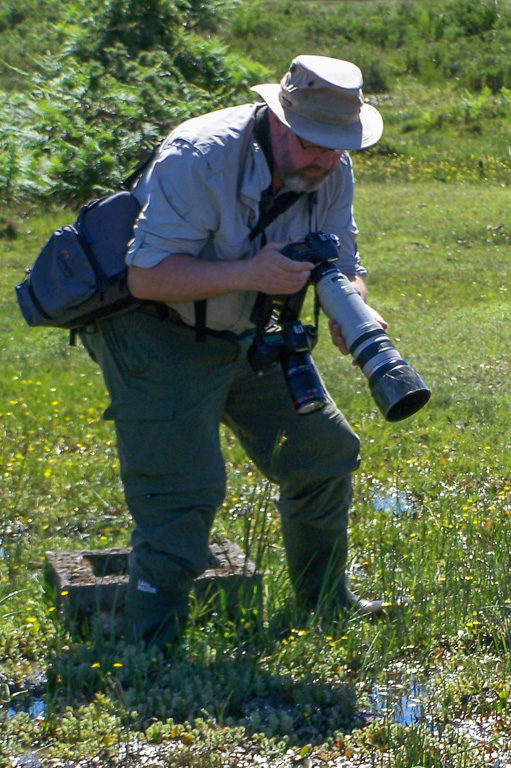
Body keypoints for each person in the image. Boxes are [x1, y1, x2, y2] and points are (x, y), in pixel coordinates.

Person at [81, 55, 389, 647]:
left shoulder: (332, 168)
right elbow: (146, 276)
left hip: (247, 329)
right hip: (154, 328)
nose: (325, 158)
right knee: (184, 488)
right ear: (278, 120)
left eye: (337, 145)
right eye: (313, 143)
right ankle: (156, 643)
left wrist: (354, 310)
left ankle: (326, 602)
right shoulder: (199, 156)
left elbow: (343, 258)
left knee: (324, 451)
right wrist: (253, 271)